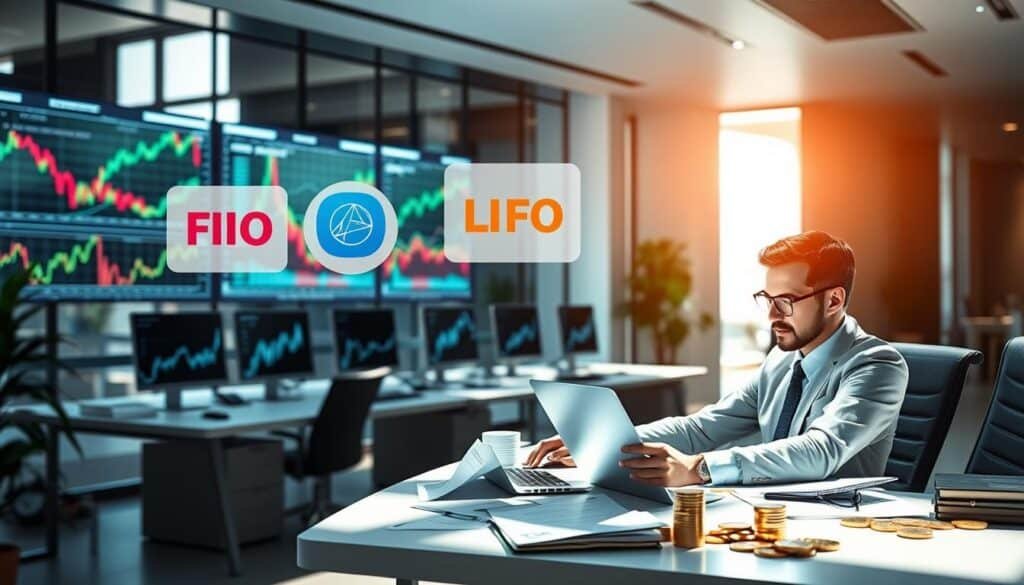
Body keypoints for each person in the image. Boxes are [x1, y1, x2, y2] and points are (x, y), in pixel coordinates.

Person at [525, 230, 909, 487]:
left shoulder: (876, 365)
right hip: (770, 512)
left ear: (834, 300)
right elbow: (702, 429)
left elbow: (823, 450)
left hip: (839, 526)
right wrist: (601, 442)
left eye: (786, 302)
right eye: (767, 300)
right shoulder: (780, 361)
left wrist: (699, 468)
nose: (772, 315)